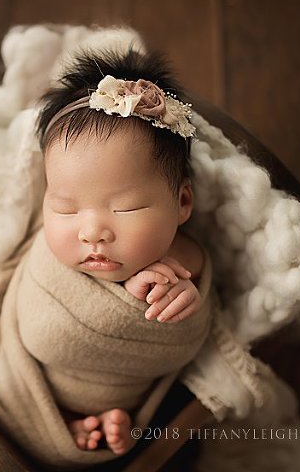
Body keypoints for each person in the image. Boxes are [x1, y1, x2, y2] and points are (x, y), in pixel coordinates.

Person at [35, 49, 208, 455]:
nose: (92, 231)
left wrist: (185, 297)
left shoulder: (180, 261)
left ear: (182, 203)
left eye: (126, 208)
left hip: (116, 389)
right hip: (26, 379)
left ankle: (92, 424)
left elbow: (193, 334)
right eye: (65, 208)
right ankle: (58, 420)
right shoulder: (45, 246)